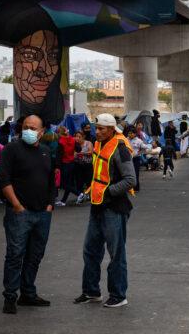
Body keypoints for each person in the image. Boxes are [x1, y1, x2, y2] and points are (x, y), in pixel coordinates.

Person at [74, 113, 136, 308]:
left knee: (116, 253)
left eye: (101, 129)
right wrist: (90, 191)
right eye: (96, 128)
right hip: (98, 206)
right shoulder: (99, 143)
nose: (97, 131)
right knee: (90, 250)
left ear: (111, 129)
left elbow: (130, 180)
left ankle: (118, 295)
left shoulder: (120, 148)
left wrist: (108, 192)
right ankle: (91, 291)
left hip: (114, 208)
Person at [0, 115, 54, 314]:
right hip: (19, 213)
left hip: (42, 214)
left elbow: (51, 181)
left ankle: (28, 294)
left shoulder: (46, 152)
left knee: (35, 256)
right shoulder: (11, 149)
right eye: (25, 127)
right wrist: (17, 205)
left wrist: (49, 205)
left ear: (42, 131)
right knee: (15, 255)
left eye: (32, 127)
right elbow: (4, 180)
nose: (28, 130)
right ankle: (10, 297)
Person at [56, 126, 76, 206]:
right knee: (68, 183)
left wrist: (57, 166)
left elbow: (59, 155)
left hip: (65, 163)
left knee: (64, 184)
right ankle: (63, 201)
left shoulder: (61, 142)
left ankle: (79, 194)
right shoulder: (72, 139)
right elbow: (78, 149)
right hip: (72, 163)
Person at [74, 131, 93, 204]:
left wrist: (81, 153)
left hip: (87, 164)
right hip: (78, 165)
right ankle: (80, 196)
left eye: (79, 136)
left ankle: (89, 195)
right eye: (76, 136)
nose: (77, 138)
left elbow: (91, 152)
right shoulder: (75, 144)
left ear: (83, 137)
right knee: (79, 181)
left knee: (89, 180)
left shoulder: (88, 143)